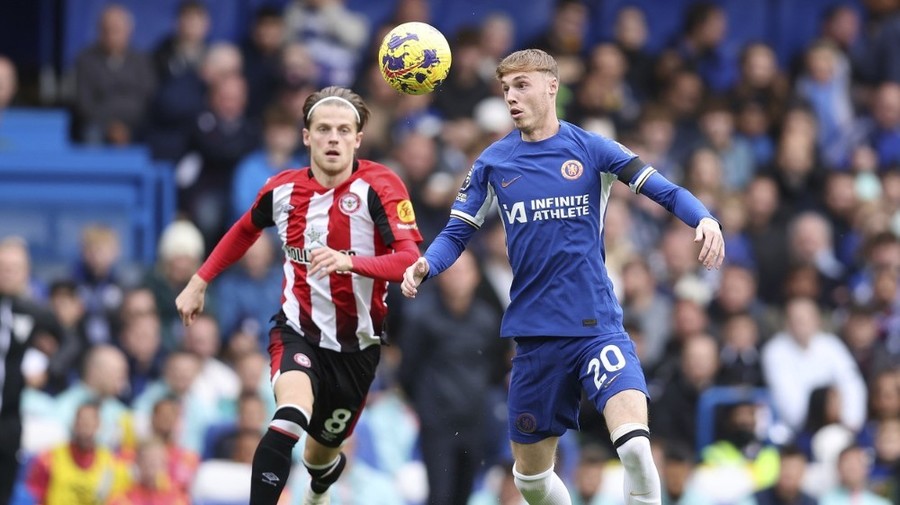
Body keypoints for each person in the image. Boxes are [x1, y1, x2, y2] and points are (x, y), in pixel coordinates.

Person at [402, 49, 725, 505]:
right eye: (506, 89)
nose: (511, 97)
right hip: (535, 337)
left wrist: (704, 218)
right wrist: (426, 263)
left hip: (596, 326)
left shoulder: (591, 149)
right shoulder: (493, 163)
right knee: (531, 482)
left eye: (521, 85)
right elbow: (457, 230)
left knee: (634, 447)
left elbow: (664, 189)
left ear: (552, 86)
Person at [176, 85, 423, 505]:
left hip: (356, 350)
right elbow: (243, 230)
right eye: (323, 129)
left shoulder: (381, 187)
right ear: (305, 136)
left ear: (358, 139)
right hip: (298, 331)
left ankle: (320, 485)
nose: (333, 138)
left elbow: (408, 259)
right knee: (289, 418)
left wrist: (350, 262)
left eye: (344, 130)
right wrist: (200, 279)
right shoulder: (283, 190)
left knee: (318, 455)